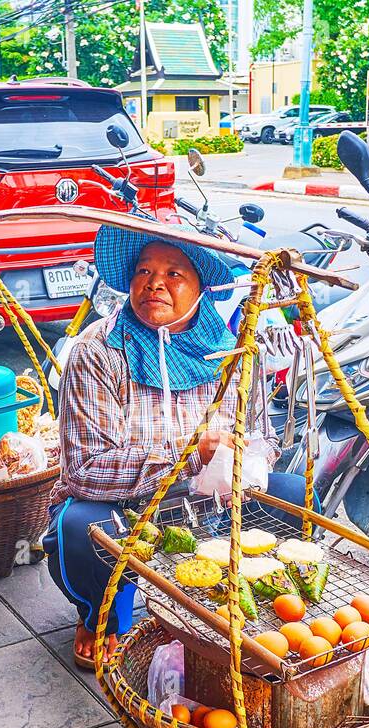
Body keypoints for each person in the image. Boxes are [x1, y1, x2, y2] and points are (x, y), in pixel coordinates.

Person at [43, 225, 313, 669]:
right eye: (144, 271)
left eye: (173, 274)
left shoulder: (235, 349)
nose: (154, 283)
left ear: (201, 288)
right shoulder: (97, 351)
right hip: (126, 503)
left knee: (294, 496)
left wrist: (249, 466)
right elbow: (84, 469)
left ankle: (264, 611)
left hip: (212, 502)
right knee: (79, 526)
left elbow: (263, 437)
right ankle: (100, 616)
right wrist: (189, 456)